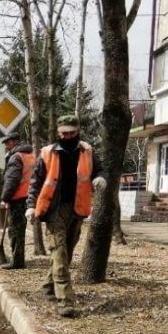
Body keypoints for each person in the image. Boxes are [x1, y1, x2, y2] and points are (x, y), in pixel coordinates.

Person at [26, 115, 107, 318]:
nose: (67, 136)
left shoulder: (87, 151)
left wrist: (100, 178)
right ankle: (65, 300)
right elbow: (36, 182)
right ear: (58, 133)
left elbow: (99, 170)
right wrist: (30, 206)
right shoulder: (47, 153)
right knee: (59, 253)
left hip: (77, 209)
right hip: (53, 209)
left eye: (71, 133)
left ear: (77, 131)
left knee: (66, 252)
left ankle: (48, 286)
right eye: (64, 133)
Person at [0, 133, 35, 270]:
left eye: (8, 142)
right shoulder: (31, 155)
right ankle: (18, 259)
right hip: (30, 196)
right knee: (20, 230)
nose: (6, 146)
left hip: (19, 198)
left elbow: (12, 180)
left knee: (15, 231)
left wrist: (5, 198)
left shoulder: (16, 157)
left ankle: (17, 261)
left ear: (15, 142)